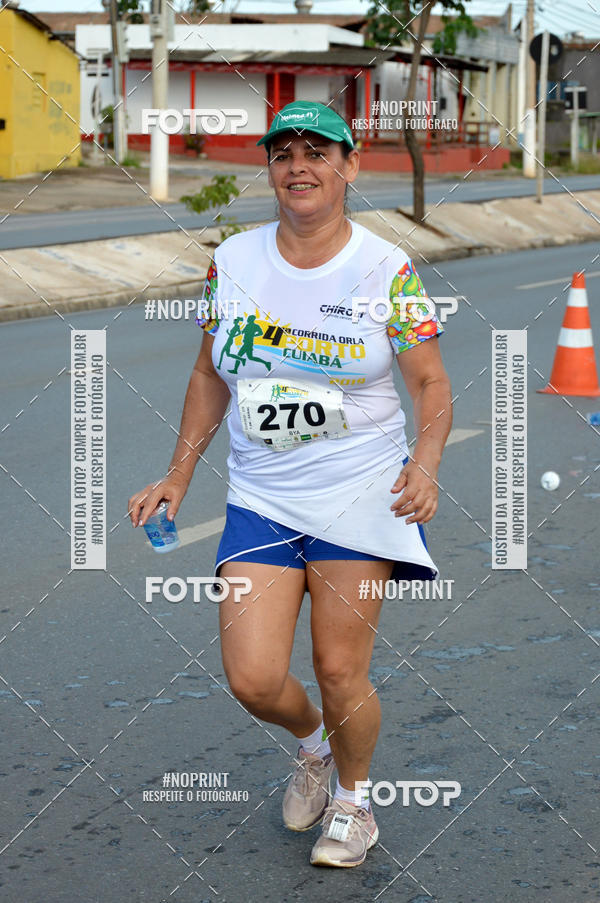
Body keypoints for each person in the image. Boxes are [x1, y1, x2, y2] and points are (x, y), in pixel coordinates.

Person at [128, 100, 452, 869]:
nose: (298, 166)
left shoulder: (385, 270)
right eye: (284, 153)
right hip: (264, 497)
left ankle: (355, 801)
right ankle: (312, 747)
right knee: (253, 677)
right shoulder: (234, 261)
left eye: (317, 151)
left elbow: (432, 387)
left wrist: (427, 461)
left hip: (360, 495)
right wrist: (179, 473)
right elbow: (210, 374)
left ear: (349, 166)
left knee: (340, 667)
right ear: (270, 168)